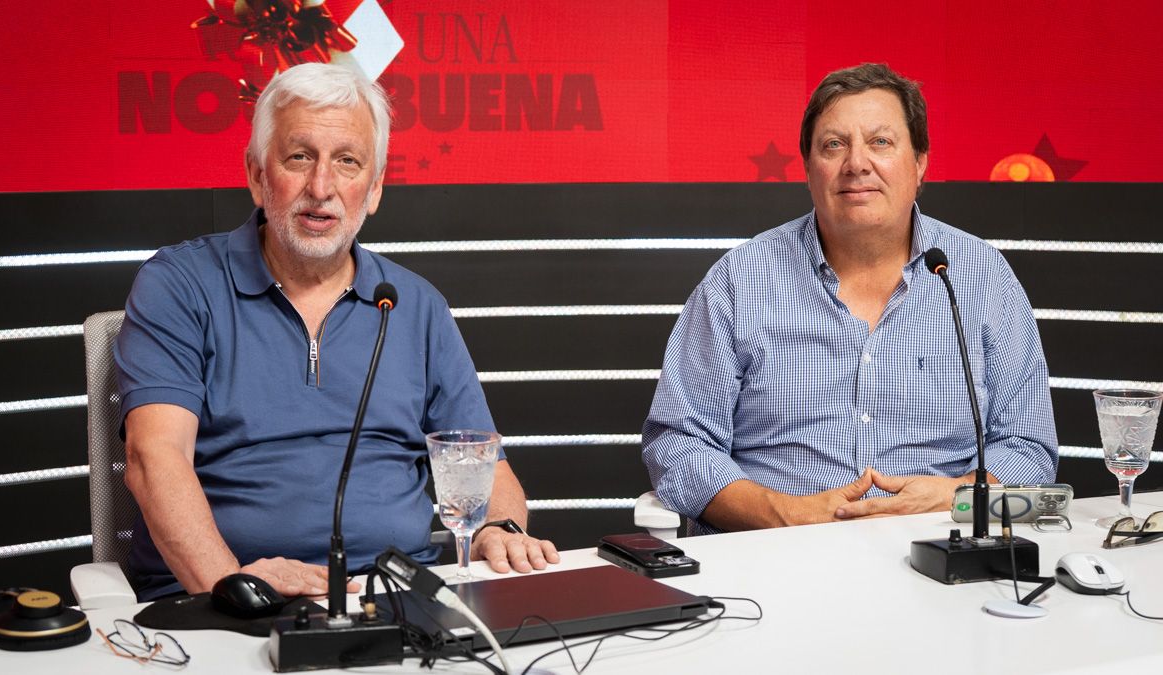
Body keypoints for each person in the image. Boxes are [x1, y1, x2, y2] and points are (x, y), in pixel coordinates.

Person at [115, 63, 558, 601]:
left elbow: (479, 458)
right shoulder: (180, 286)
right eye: (299, 157)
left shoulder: (413, 305)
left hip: (394, 595)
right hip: (220, 598)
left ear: (373, 190)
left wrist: (498, 529)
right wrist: (233, 586)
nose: (321, 187)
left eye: (347, 162)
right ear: (257, 175)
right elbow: (152, 457)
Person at [641, 63, 1058, 535]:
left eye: (880, 142)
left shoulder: (981, 277)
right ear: (807, 169)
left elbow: (1028, 448)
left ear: (920, 162)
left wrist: (959, 497)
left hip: (940, 549)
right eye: (833, 145)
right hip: (777, 557)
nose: (856, 163)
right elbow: (678, 445)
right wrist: (787, 513)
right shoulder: (739, 282)